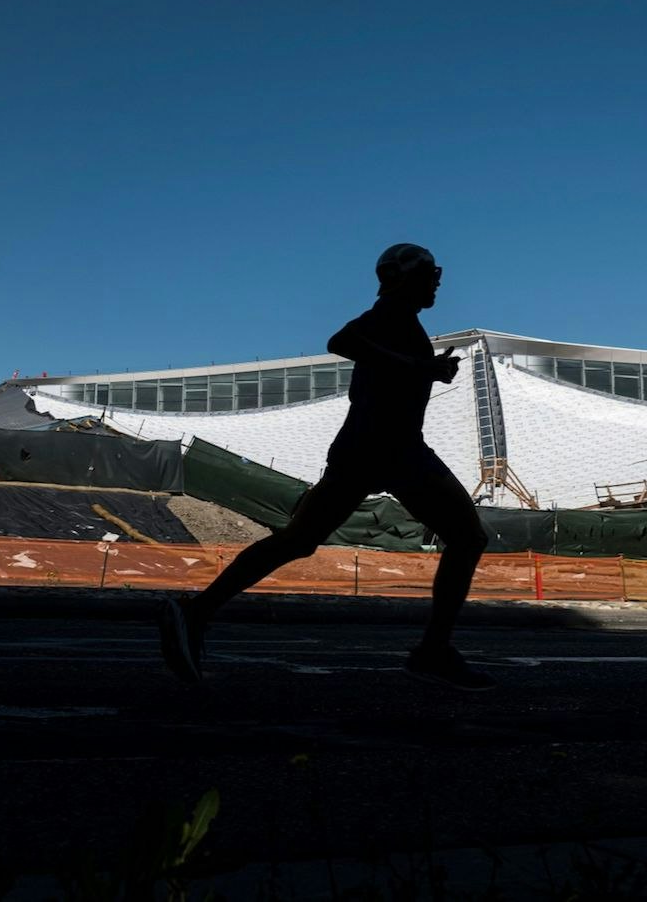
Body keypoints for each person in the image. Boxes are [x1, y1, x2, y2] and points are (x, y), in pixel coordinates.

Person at [158, 243, 494, 690]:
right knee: (467, 537)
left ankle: (196, 612)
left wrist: (424, 368)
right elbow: (342, 341)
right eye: (430, 271)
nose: (438, 279)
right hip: (391, 450)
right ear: (403, 277)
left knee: (298, 541)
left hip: (369, 449)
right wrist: (422, 367)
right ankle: (433, 652)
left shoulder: (403, 320)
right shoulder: (391, 312)